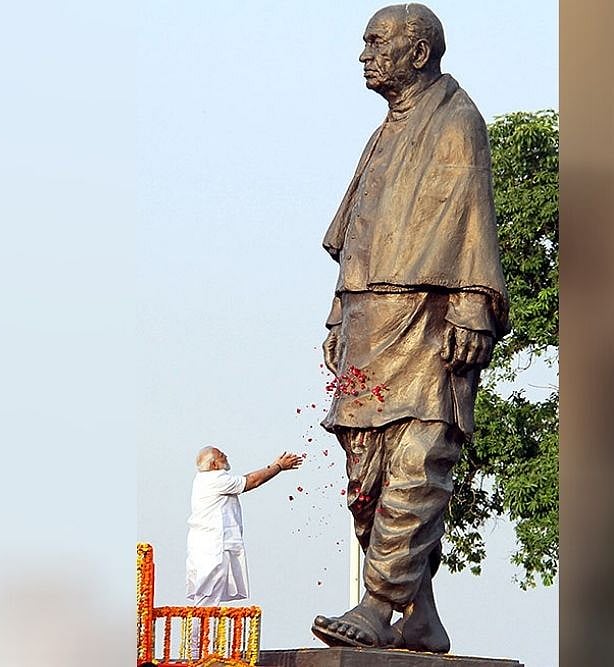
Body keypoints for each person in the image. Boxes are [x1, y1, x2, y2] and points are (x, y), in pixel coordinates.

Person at [311, 3, 509, 653]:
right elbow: (358, 232)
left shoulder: (457, 123)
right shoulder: (382, 134)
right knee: (366, 471)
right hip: (370, 318)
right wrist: (341, 311)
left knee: (420, 460)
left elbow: (472, 216)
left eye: (375, 43)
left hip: (429, 318)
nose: (362, 55)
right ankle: (418, 613)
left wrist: (474, 304)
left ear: (417, 53)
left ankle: (377, 602)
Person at [186, 447, 303, 607]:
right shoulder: (215, 480)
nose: (226, 455)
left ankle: (201, 631)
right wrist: (279, 467)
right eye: (221, 455)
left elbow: (246, 478)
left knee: (209, 594)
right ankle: (199, 633)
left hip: (208, 544)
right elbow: (252, 481)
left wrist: (273, 466)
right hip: (214, 544)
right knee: (207, 595)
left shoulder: (205, 480)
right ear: (213, 464)